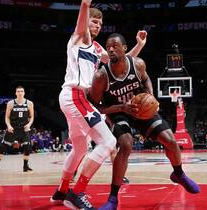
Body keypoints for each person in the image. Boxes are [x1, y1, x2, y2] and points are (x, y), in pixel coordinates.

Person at [50, 1, 146, 209]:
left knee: (80, 148)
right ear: (85, 22)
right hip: (76, 95)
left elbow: (122, 61)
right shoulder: (78, 38)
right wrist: (85, 4)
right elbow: (82, 17)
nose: (97, 27)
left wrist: (139, 45)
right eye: (94, 22)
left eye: (100, 24)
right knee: (108, 142)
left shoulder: (97, 47)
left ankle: (62, 190)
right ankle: (77, 192)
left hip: (77, 99)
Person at [88, 33, 200, 210]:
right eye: (108, 46)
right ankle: (113, 198)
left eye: (114, 46)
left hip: (140, 107)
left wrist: (150, 95)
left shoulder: (137, 64)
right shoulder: (101, 76)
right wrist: (120, 108)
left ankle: (178, 174)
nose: (110, 49)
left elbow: (146, 79)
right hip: (118, 113)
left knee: (171, 141)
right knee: (126, 144)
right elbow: (95, 106)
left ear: (125, 49)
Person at [0, 85, 34, 174]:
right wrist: (9, 126)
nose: (20, 93)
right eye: (18, 91)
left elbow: (31, 117)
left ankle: (25, 166)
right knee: (2, 147)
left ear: (24, 93)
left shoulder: (29, 103)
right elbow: (7, 117)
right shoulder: (10, 103)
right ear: (15, 93)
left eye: (22, 91)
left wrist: (29, 124)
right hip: (13, 128)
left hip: (24, 128)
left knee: (27, 147)